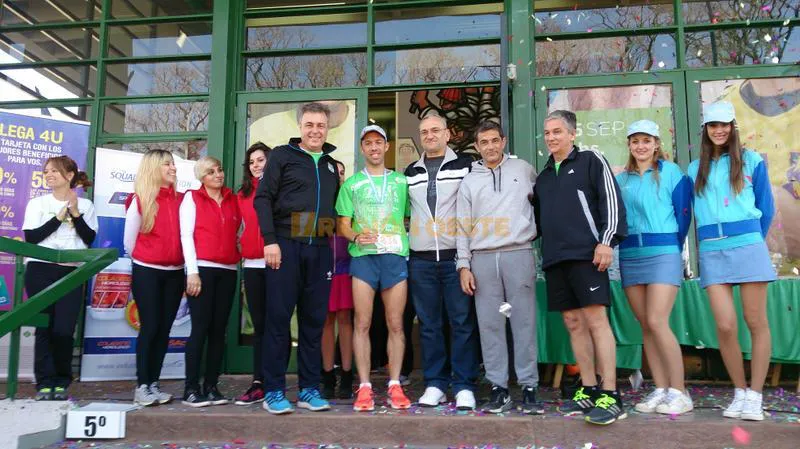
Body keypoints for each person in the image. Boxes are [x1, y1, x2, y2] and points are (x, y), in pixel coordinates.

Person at [531, 110, 628, 425]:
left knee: (596, 320)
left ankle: (610, 394)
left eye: (557, 132)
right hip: (555, 259)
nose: (551, 138)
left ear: (572, 134)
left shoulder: (590, 160)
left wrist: (606, 241)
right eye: (547, 133)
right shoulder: (543, 177)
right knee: (573, 323)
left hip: (588, 254)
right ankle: (587, 388)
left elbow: (611, 202)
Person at [688, 102, 776, 421]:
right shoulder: (694, 168)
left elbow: (767, 208)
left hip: (749, 247)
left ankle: (755, 395)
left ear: (733, 126)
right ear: (706, 130)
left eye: (724, 124)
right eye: (713, 125)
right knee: (725, 325)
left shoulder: (752, 161)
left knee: (756, 322)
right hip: (712, 251)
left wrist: (752, 239)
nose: (719, 130)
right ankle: (739, 392)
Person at [254, 102, 340, 415]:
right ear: (300, 127)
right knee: (278, 321)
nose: (315, 130)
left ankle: (308, 388)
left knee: (314, 324)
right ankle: (274, 391)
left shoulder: (331, 164)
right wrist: (270, 241)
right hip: (285, 247)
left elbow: (330, 209)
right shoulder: (281, 156)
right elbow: (262, 199)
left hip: (319, 251)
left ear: (327, 128)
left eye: (320, 125)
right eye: (310, 124)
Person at [456, 121, 542, 415]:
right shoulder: (469, 180)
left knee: (524, 321)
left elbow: (541, 205)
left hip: (518, 252)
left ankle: (529, 386)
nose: (490, 146)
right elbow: (462, 225)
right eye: (484, 142)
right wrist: (463, 264)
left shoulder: (524, 170)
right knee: (490, 325)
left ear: (503, 141)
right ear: (477, 147)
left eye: (495, 140)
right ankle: (498, 387)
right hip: (482, 258)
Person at [615, 120, 694, 415]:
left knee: (658, 321)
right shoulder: (622, 180)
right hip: (631, 254)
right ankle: (661, 388)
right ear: (629, 145)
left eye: (646, 140)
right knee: (646, 325)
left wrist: (673, 247)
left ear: (657, 143)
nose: (641, 146)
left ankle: (680, 391)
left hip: (663, 252)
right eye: (635, 141)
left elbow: (683, 215)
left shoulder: (673, 174)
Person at [404, 114, 480, 410]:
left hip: (455, 259)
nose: (430, 135)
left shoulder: (467, 167)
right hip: (420, 261)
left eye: (436, 130)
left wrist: (468, 258)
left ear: (448, 134)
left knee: (461, 322)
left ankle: (464, 385)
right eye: (425, 131)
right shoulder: (410, 172)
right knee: (429, 325)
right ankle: (435, 383)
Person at [336, 124, 412, 412]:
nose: (374, 147)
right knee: (362, 323)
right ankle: (365, 387)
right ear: (362, 149)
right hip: (364, 258)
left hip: (393, 256)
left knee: (395, 324)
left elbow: (410, 217)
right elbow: (342, 222)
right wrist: (355, 235)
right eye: (368, 143)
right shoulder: (351, 184)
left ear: (387, 146)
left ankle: (395, 384)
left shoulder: (401, 182)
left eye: (378, 142)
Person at [22, 155, 97, 401]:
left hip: (71, 272)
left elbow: (88, 239)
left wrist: (74, 213)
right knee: (44, 326)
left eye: (54, 171)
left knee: (64, 329)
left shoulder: (85, 206)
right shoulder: (37, 204)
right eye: (46, 172)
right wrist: (57, 218)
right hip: (40, 270)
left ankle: (62, 380)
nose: (49, 175)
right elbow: (31, 238)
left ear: (70, 175)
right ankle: (44, 381)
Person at [123, 150, 185, 406]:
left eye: (173, 164)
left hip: (175, 273)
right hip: (147, 271)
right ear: (153, 169)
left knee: (164, 329)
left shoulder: (182, 200)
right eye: (167, 165)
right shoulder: (139, 200)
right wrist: (147, 258)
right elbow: (129, 241)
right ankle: (142, 385)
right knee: (150, 327)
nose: (173, 168)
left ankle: (154, 383)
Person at [179, 156, 242, 407]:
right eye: (212, 172)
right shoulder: (191, 198)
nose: (218, 175)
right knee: (200, 329)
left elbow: (240, 229)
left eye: (220, 169)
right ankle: (191, 389)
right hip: (202, 270)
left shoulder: (232, 199)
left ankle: (212, 386)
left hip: (228, 270)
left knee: (219, 331)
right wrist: (191, 272)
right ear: (202, 177)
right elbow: (186, 235)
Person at [234, 142, 271, 405]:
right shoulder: (242, 195)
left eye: (261, 160)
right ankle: (258, 381)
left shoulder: (281, 190)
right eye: (252, 162)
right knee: (260, 326)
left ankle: (276, 380)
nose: (256, 165)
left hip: (278, 265)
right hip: (253, 266)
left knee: (278, 326)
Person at [321, 160, 355, 401]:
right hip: (322, 269)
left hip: (346, 268)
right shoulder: (319, 199)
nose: (339, 176)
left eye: (342, 173)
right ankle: (326, 375)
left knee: (345, 320)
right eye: (336, 172)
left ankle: (346, 374)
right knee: (325, 321)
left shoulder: (351, 200)